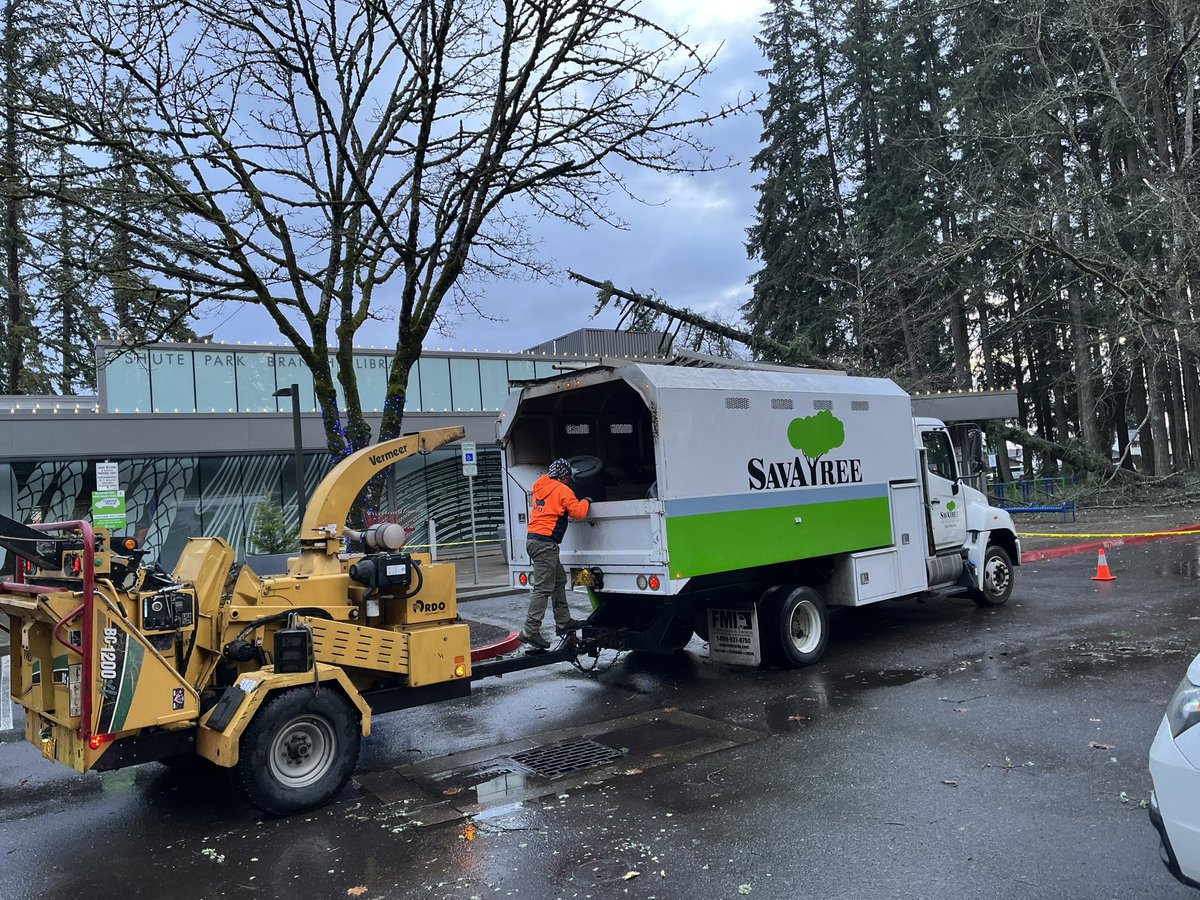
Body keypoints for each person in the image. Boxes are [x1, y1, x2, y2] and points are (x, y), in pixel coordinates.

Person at [521, 458, 590, 649]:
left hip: (534, 541)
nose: (570, 481)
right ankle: (530, 630)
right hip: (545, 544)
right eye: (569, 477)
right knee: (543, 588)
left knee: (559, 580)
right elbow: (578, 513)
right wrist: (586, 501)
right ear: (564, 476)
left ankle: (563, 621)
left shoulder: (539, 485)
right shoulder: (562, 490)